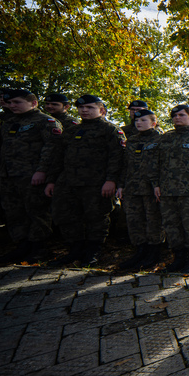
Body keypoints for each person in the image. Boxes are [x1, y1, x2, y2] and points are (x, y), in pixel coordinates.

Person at [45, 95, 126, 267]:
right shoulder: (72, 130)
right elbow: (58, 157)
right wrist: (52, 181)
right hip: (68, 182)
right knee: (66, 216)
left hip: (96, 183)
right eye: (81, 108)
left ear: (101, 110)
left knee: (96, 217)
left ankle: (93, 252)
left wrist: (111, 180)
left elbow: (117, 158)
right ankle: (75, 250)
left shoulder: (110, 130)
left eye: (89, 107)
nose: (84, 110)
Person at [0, 89, 63, 264]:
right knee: (14, 211)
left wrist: (42, 171)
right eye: (10, 103)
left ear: (33, 103)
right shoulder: (9, 122)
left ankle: (39, 248)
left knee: (36, 211)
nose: (13, 106)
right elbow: (3, 150)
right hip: (9, 175)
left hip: (32, 175)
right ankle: (22, 246)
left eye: (17, 102)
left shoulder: (46, 121)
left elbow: (53, 149)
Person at [151, 104, 189, 273]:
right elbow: (155, 163)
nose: (177, 118)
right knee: (171, 225)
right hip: (167, 191)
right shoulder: (165, 138)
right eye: (174, 115)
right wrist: (156, 184)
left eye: (181, 115)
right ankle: (178, 258)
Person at [116, 109, 164, 270]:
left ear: (153, 122)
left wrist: (158, 185)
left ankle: (154, 253)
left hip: (151, 188)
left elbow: (163, 165)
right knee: (134, 221)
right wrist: (121, 185)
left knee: (153, 221)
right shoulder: (131, 141)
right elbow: (125, 165)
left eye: (143, 120)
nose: (139, 123)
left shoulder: (160, 140)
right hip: (132, 187)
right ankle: (140, 252)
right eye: (137, 120)